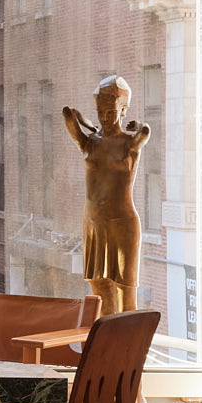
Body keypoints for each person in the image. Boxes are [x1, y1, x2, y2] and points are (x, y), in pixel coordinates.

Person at [62, 75, 150, 316]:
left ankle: (129, 339)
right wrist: (84, 120)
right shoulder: (90, 142)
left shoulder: (130, 144)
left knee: (126, 294)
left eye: (110, 112)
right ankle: (106, 339)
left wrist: (137, 125)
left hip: (122, 224)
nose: (104, 118)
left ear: (123, 110)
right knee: (100, 293)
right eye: (100, 112)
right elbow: (68, 115)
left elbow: (145, 132)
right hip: (94, 224)